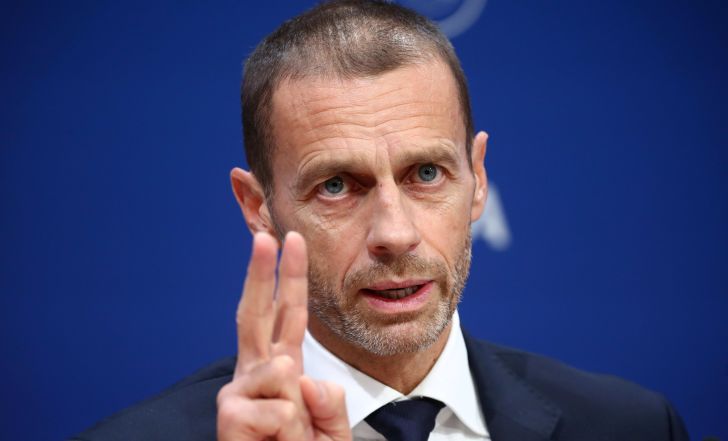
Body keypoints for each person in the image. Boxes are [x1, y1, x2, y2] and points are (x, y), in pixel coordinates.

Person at [72, 1, 689, 440]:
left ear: (477, 179)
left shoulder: (631, 425)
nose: (395, 234)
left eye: (427, 173)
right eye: (337, 186)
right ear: (259, 208)